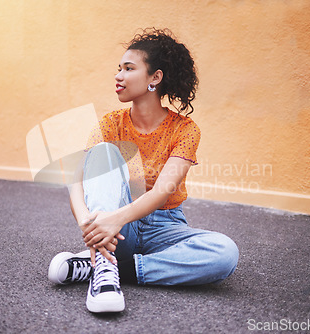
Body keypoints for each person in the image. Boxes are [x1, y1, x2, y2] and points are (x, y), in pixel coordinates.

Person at [48, 28, 239, 313]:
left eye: (129, 68)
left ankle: (111, 267)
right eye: (118, 69)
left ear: (155, 77)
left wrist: (112, 221)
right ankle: (104, 273)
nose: (118, 75)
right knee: (102, 153)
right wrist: (91, 225)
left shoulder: (184, 130)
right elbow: (77, 183)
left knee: (225, 254)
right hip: (117, 223)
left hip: (164, 226)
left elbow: (163, 192)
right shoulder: (110, 123)